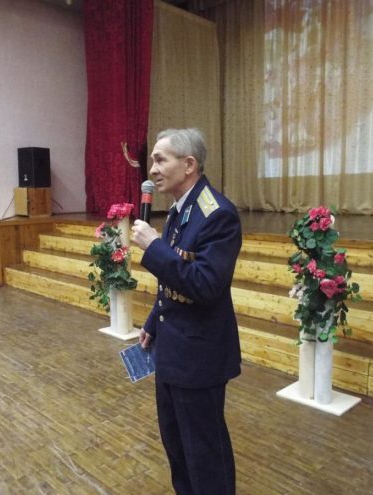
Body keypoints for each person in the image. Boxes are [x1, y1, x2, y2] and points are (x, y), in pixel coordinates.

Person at [131, 128, 242, 495]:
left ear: (189, 164)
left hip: (199, 357)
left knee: (204, 455)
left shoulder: (218, 214)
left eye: (160, 160)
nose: (152, 170)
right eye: (153, 161)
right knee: (177, 448)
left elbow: (205, 285)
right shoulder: (181, 209)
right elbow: (172, 280)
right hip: (171, 350)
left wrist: (154, 247)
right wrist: (153, 322)